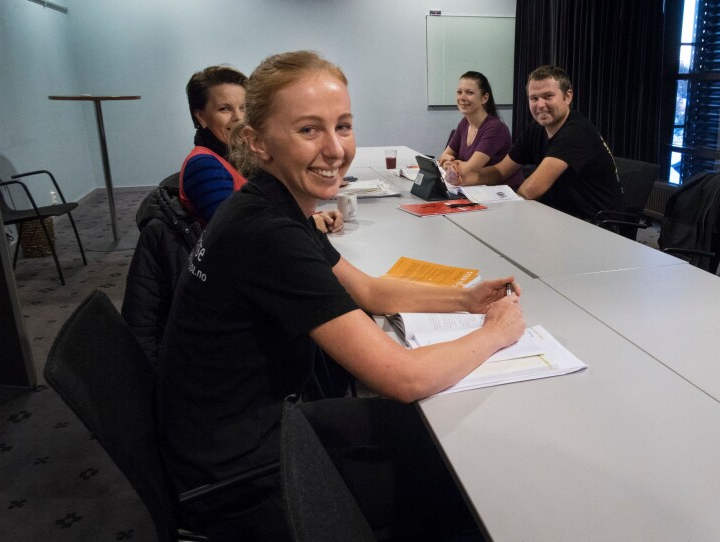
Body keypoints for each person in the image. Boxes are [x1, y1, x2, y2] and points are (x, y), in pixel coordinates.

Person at [157, 50, 525, 541]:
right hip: (239, 477)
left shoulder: (271, 204)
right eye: (309, 130)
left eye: (344, 126)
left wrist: (466, 299)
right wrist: (497, 333)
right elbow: (402, 377)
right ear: (257, 142)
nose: (336, 149)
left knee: (427, 442)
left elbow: (369, 291)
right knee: (461, 483)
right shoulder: (268, 233)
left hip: (235, 431)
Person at [179, 65, 342, 232]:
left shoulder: (239, 159)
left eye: (244, 108)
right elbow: (238, 230)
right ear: (201, 117)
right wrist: (309, 223)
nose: (238, 117)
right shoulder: (204, 165)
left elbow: (270, 208)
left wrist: (315, 215)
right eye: (224, 109)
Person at [453, 65, 622, 222]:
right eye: (534, 98)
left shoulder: (576, 132)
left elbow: (530, 190)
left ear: (567, 96)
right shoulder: (536, 128)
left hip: (594, 225)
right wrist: (463, 179)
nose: (540, 105)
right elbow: (500, 171)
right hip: (558, 216)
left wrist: (501, 206)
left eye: (548, 96)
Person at [438, 71, 524, 190]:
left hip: (502, 196)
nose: (462, 97)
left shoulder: (496, 128)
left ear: (484, 98)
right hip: (475, 190)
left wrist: (450, 163)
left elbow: (469, 170)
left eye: (469, 93)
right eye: (459, 92)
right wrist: (449, 164)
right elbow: (443, 157)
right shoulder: (464, 123)